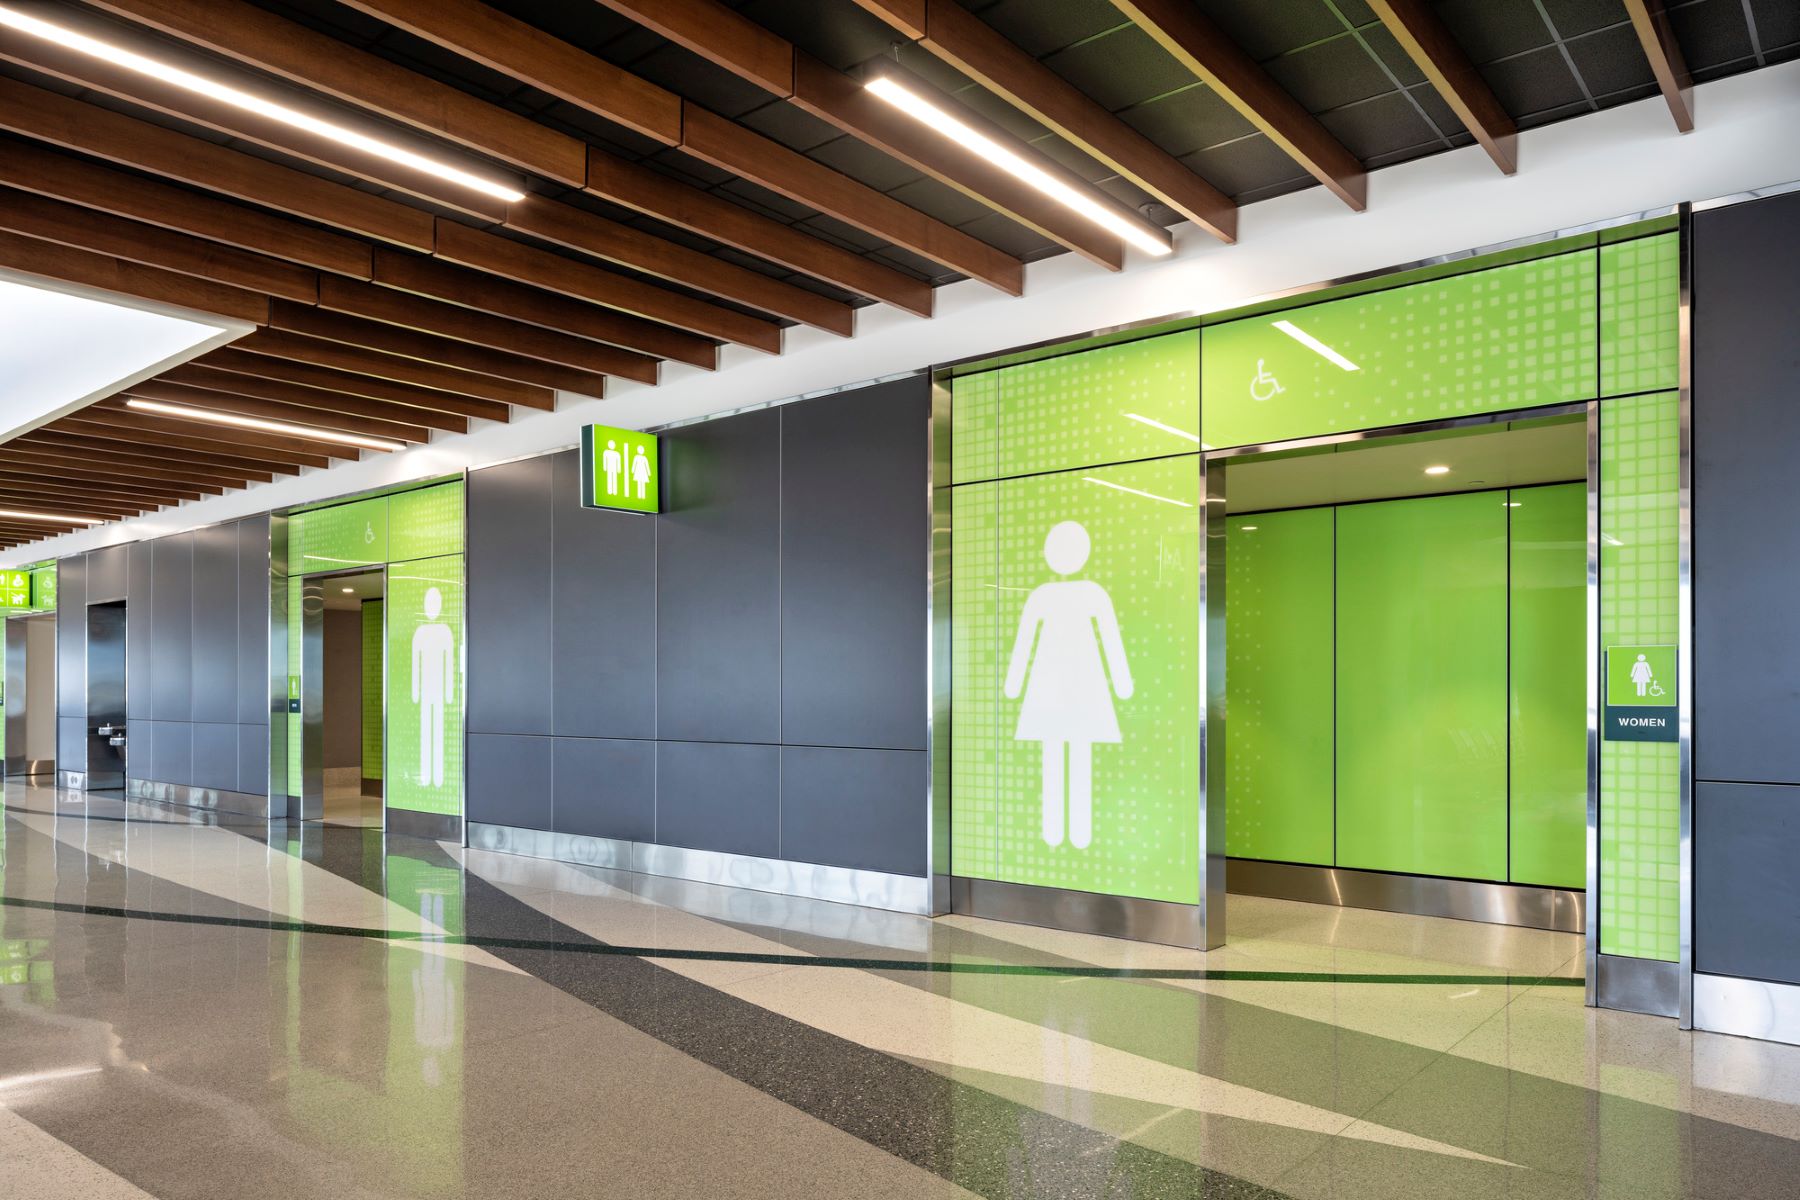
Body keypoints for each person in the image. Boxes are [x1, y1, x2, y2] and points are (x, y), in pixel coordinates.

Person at [1003, 521, 1132, 850]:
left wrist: (1122, 681)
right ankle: (1056, 831)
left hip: (1073, 685)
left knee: (1074, 754)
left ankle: (1076, 832)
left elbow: (1110, 638)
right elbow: (1024, 641)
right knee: (1059, 754)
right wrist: (1014, 683)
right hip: (1056, 685)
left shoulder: (1085, 593)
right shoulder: (1049, 595)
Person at [411, 587, 456, 788]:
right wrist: (414, 690)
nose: (432, 607)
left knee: (437, 730)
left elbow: (450, 663)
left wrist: (448, 691)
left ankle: (437, 776)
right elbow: (415, 663)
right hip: (425, 689)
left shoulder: (446, 631)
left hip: (437, 689)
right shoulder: (419, 632)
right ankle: (425, 775)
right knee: (425, 731)